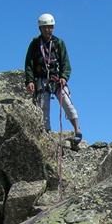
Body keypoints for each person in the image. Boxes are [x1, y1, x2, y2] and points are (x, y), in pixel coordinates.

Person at [24, 13, 82, 142]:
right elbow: (29, 64)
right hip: (41, 79)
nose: (48, 30)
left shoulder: (59, 43)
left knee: (67, 102)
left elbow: (65, 63)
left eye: (50, 27)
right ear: (40, 28)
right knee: (43, 107)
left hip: (57, 79)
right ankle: (46, 133)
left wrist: (64, 77)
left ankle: (77, 130)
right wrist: (30, 80)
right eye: (45, 27)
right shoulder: (34, 44)